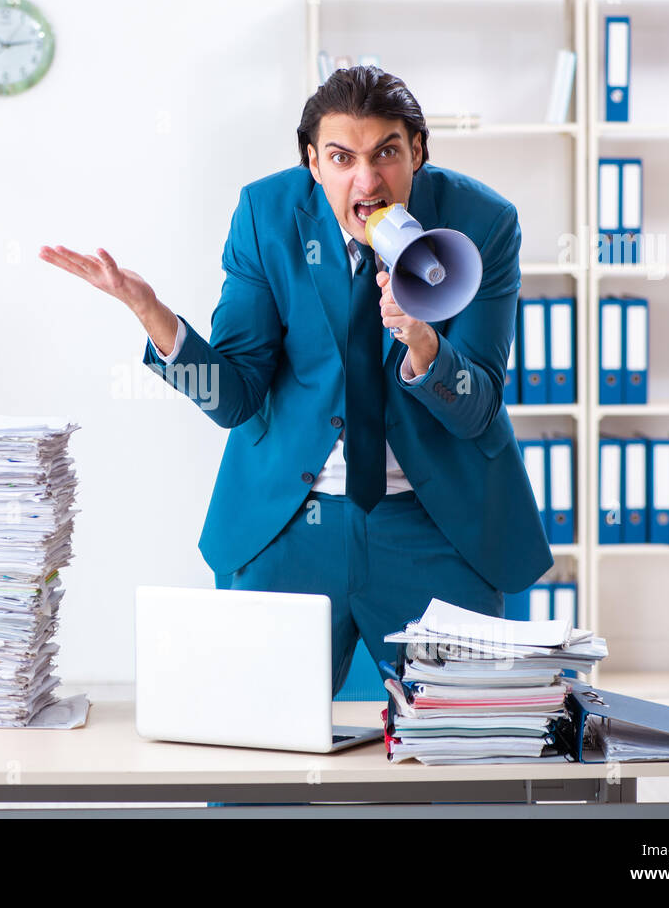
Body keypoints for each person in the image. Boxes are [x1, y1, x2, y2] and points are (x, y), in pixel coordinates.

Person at [40, 65, 553, 696]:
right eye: (341, 158)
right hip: (291, 521)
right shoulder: (267, 214)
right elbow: (234, 401)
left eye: (387, 153)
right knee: (253, 746)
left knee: (455, 753)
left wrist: (422, 340)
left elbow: (476, 411)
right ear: (313, 163)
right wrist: (154, 317)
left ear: (418, 150)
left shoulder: (483, 222)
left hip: (435, 523)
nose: (367, 181)